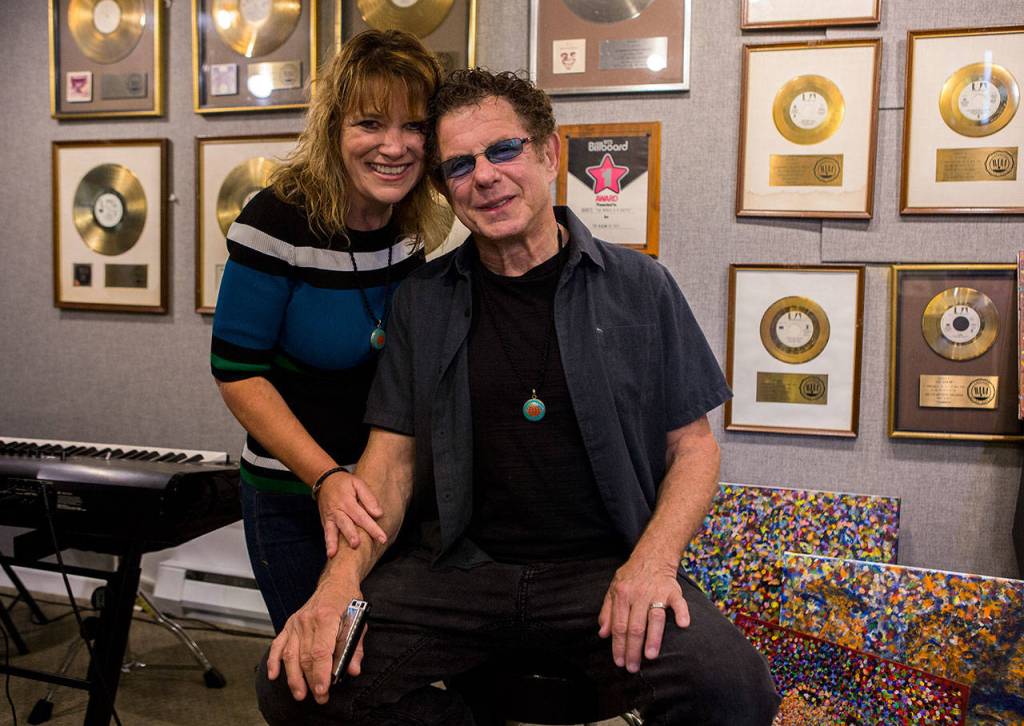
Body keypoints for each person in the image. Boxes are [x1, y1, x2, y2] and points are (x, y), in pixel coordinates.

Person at [256, 69, 780, 724]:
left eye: (503, 150)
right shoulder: (424, 301)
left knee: (731, 686)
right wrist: (338, 584)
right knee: (294, 682)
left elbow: (694, 449)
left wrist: (653, 561)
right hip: (455, 574)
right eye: (459, 165)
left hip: (598, 568)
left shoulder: (641, 287)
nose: (485, 176)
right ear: (446, 186)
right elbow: (389, 464)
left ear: (548, 154)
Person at [210, 30, 449, 634]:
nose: (394, 147)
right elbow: (237, 375)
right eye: (370, 123)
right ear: (334, 130)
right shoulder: (275, 220)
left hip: (388, 493)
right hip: (292, 497)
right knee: (322, 680)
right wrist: (326, 478)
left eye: (414, 126)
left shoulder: (416, 224)